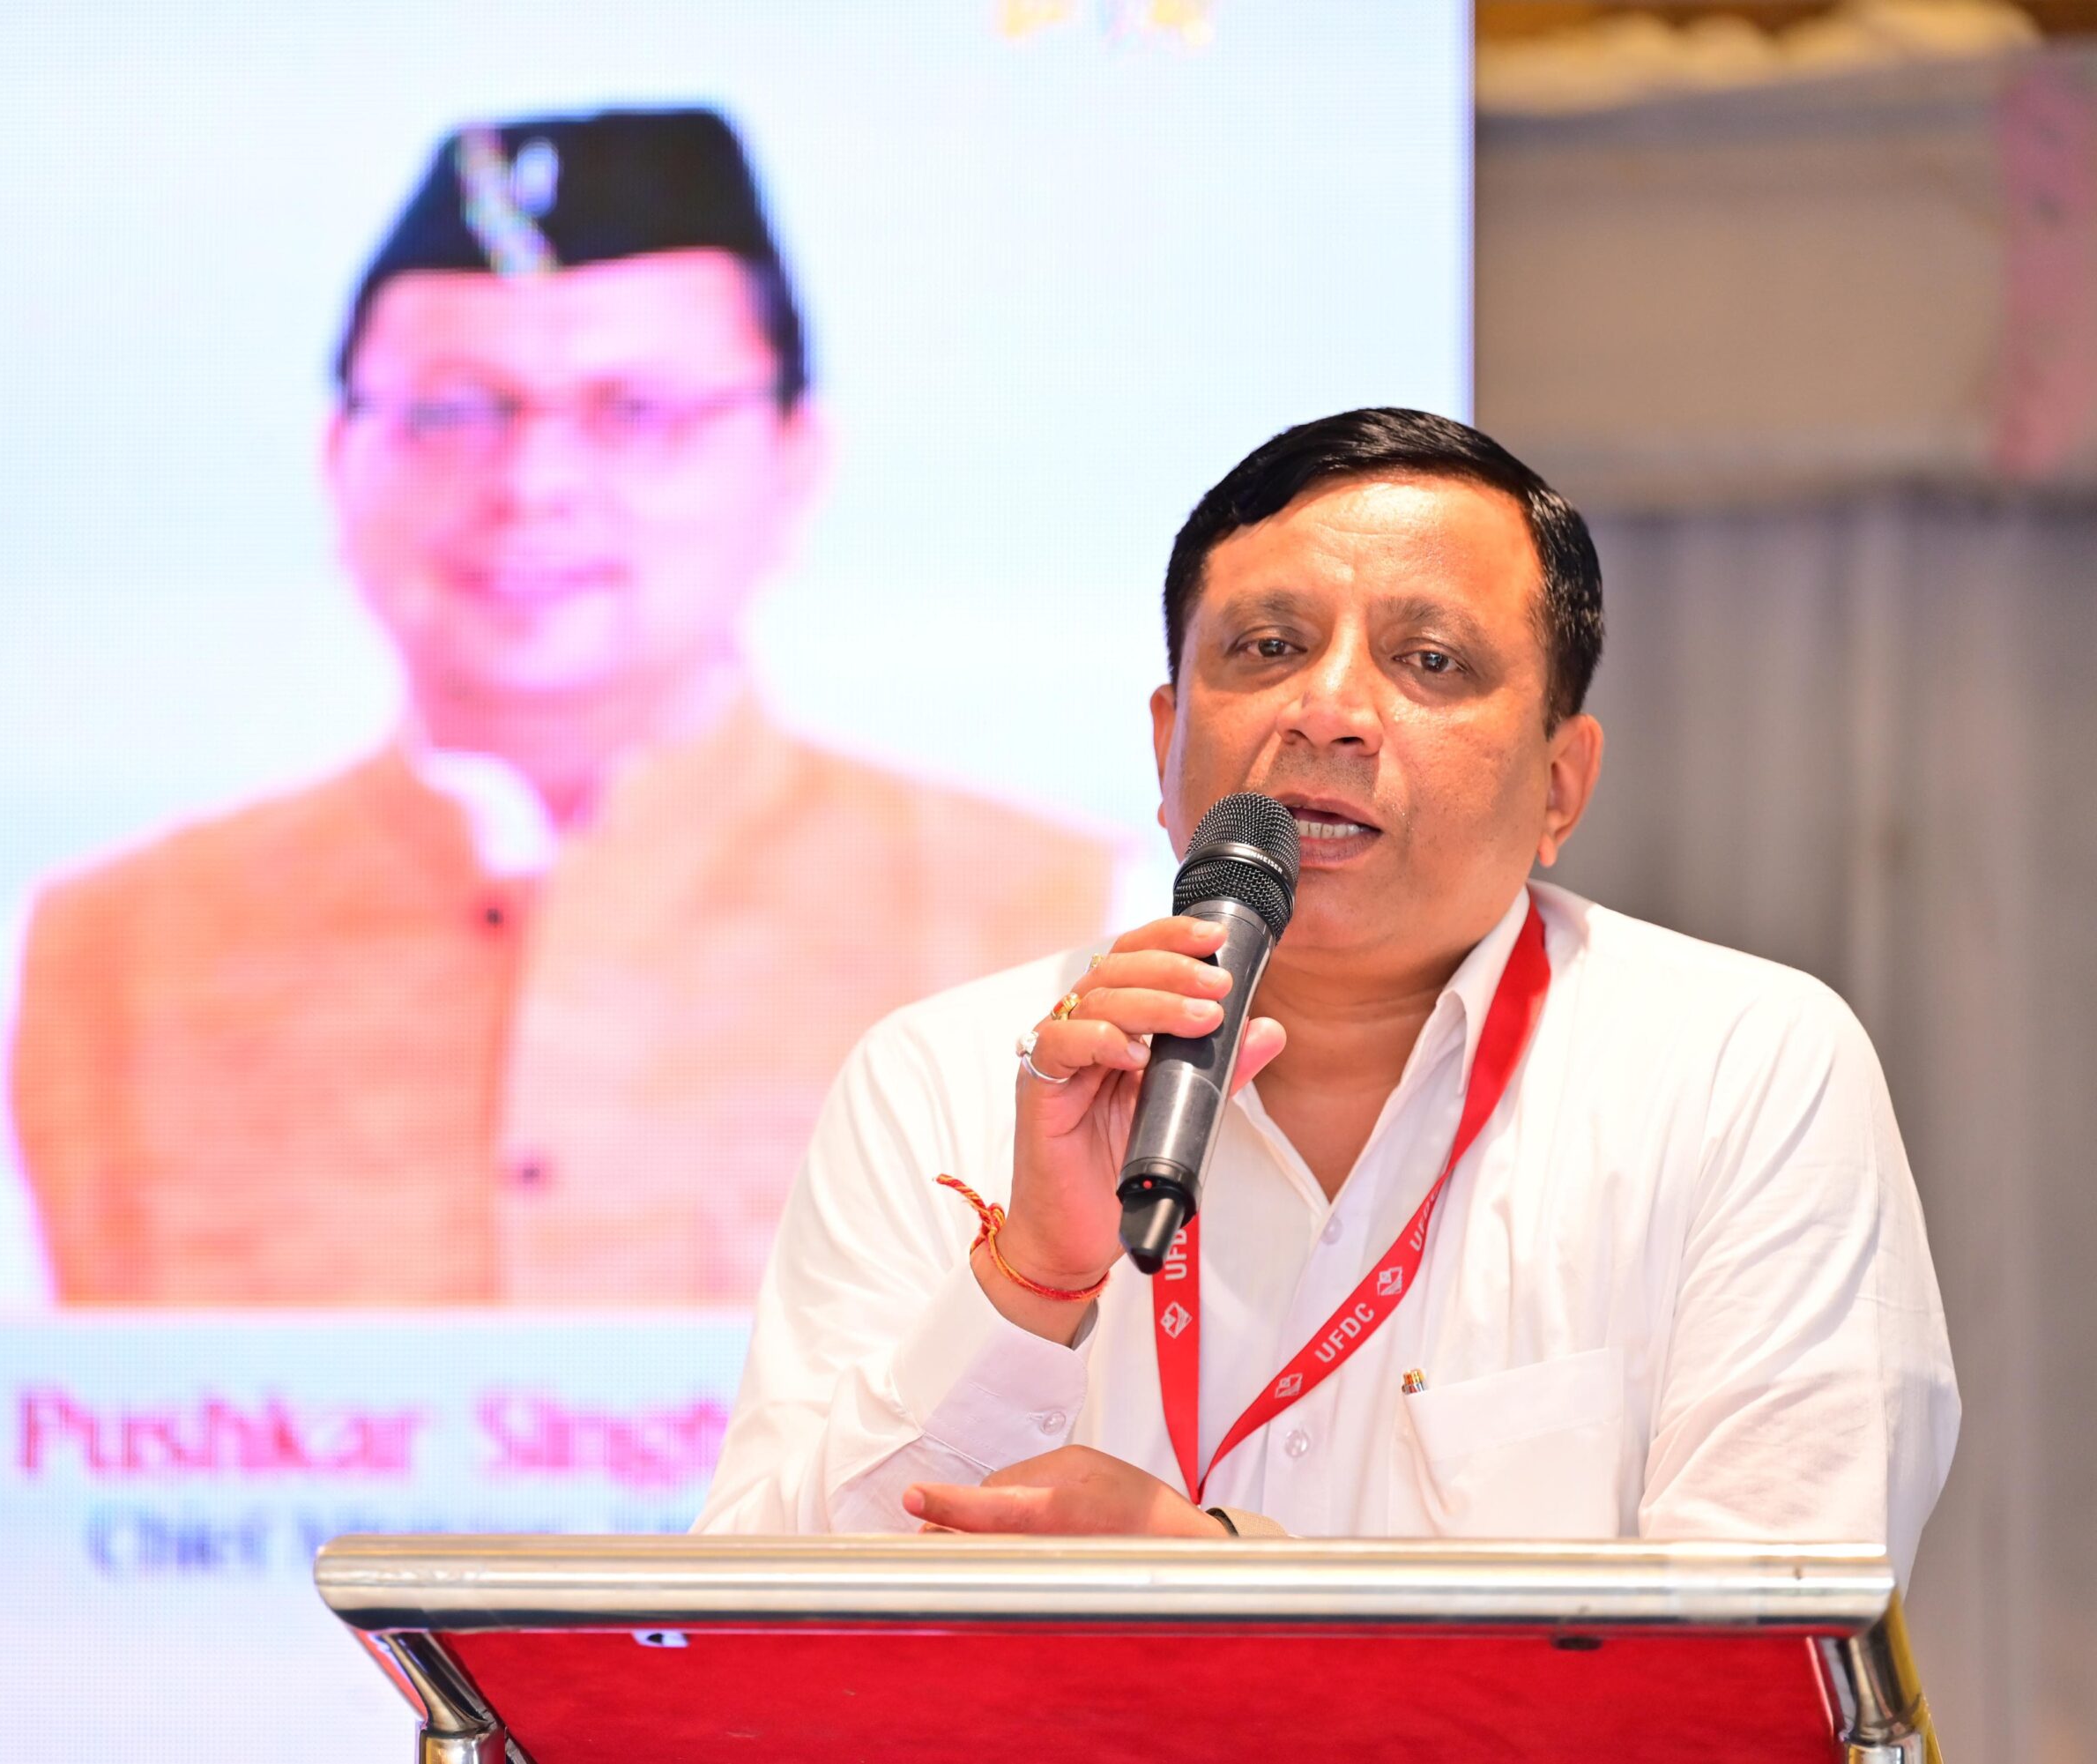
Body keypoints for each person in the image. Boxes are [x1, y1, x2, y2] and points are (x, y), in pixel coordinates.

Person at [0, 108, 1115, 1307]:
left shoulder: (1074, 943)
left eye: (638, 413)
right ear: (337, 460)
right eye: (454, 411)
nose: (535, 483)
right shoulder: (77, 978)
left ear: (795, 459)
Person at [697, 408, 1958, 1575]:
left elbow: (1758, 1666)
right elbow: (749, 1630)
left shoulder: (1739, 1068)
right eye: (1269, 647)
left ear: (1560, 785)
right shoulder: (949, 1075)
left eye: (1430, 659)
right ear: (1166, 739)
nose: (1331, 709)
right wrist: (1030, 1281)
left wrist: (1235, 1602)